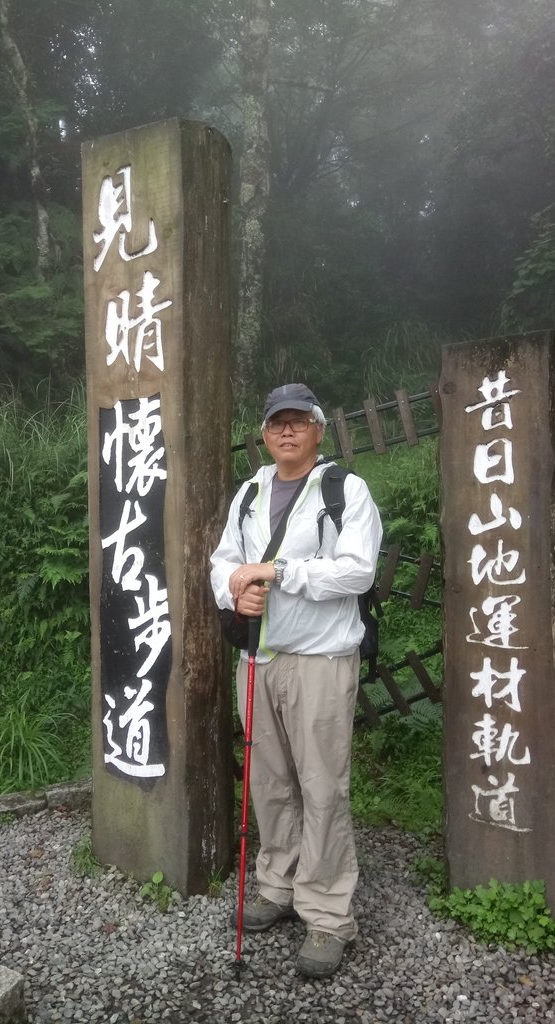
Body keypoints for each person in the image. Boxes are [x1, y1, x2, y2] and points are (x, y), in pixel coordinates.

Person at [210, 383, 383, 979]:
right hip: (257, 660)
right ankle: (277, 884)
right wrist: (236, 587)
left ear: (317, 429)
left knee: (323, 787)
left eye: (298, 422)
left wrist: (278, 572)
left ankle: (328, 914)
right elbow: (223, 560)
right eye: (276, 422)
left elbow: (358, 571)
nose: (287, 431)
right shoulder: (250, 491)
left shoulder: (344, 491)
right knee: (270, 783)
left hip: (320, 661)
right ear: (264, 433)